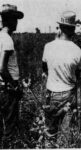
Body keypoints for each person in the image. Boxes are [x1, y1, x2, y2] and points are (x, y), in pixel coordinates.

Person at [42, 11, 81, 146]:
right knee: (67, 136)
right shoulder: (77, 51)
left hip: (51, 94)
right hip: (69, 95)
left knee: (50, 133)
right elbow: (79, 78)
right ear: (73, 29)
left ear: (60, 27)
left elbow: (45, 69)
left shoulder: (48, 47)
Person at [0, 4, 24, 147]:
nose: (16, 23)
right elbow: (2, 68)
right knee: (10, 128)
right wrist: (14, 86)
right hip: (7, 90)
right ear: (10, 20)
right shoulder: (7, 39)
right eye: (15, 19)